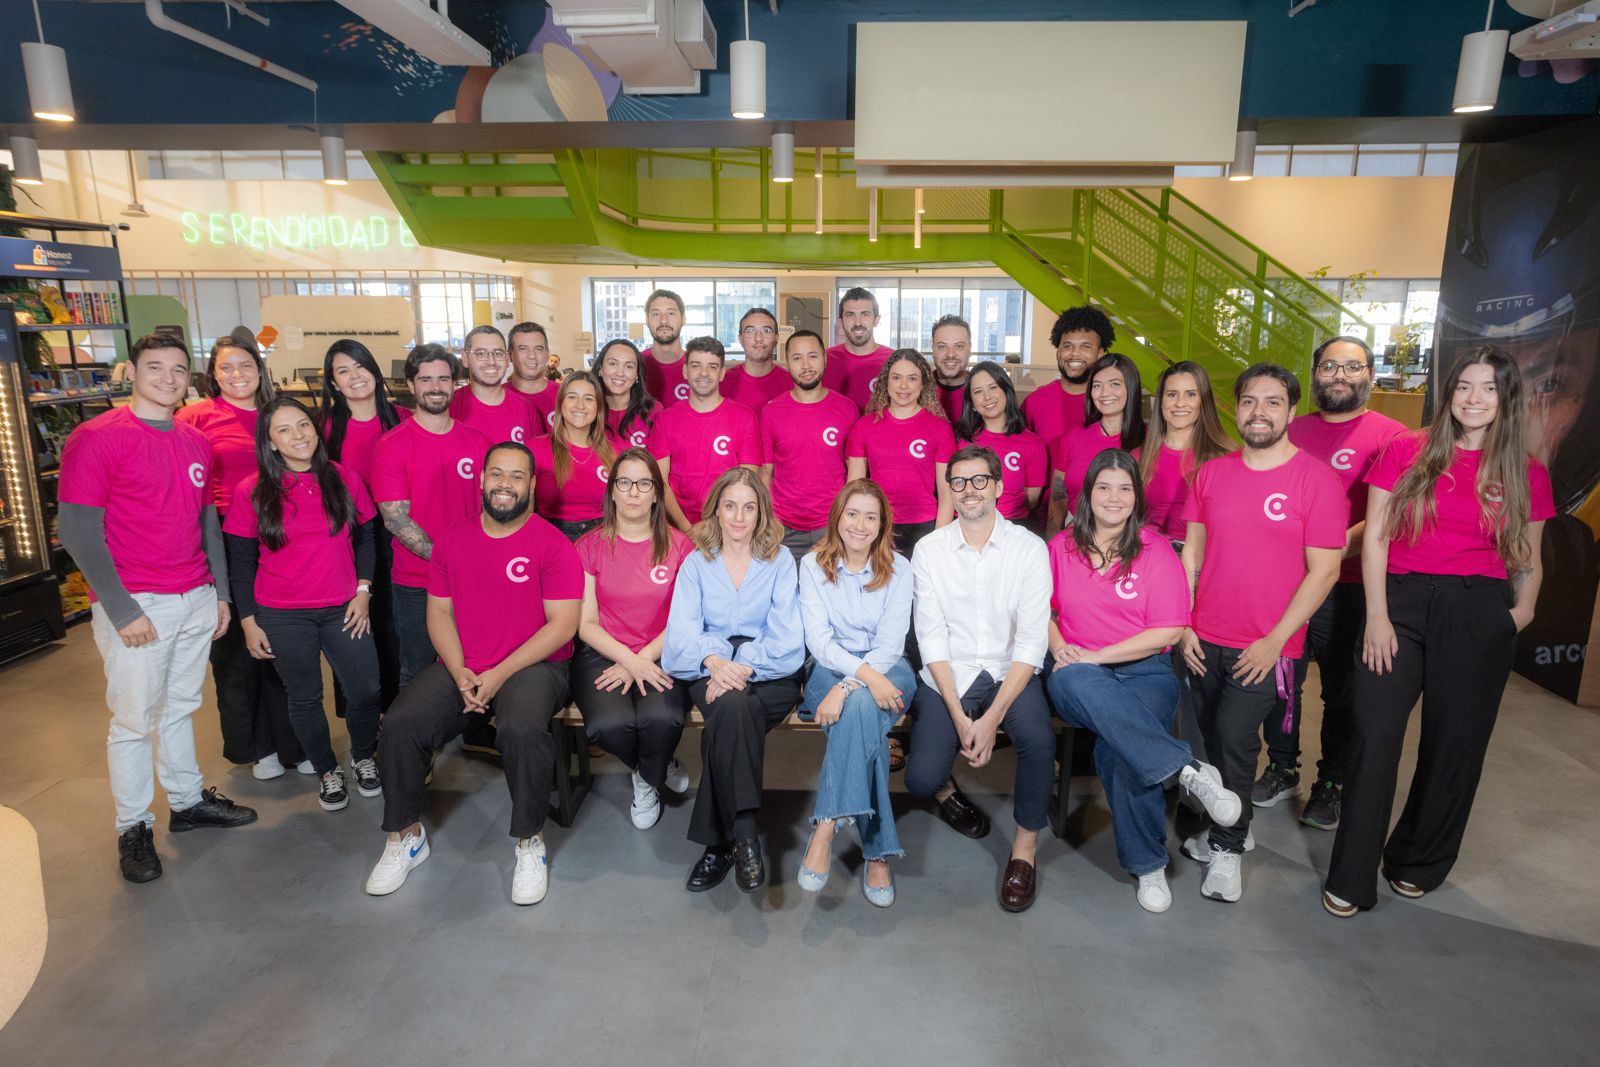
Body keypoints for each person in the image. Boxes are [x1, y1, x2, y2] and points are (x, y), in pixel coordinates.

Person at [1323, 347, 1554, 917]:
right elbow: (1376, 539)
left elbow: (1528, 556)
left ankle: (1417, 861)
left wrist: (1520, 614)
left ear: (1506, 398)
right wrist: (1377, 616)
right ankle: (1351, 876)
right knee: (1374, 737)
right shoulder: (1406, 450)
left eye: (1489, 388)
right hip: (1399, 605)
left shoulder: (1526, 471)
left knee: (1455, 746)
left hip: (1478, 612)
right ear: (1448, 393)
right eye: (1465, 386)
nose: (1474, 399)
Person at [58, 333, 257, 884]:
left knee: (179, 708)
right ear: (132, 372)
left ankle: (187, 802)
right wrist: (122, 611)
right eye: (155, 367)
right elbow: (77, 530)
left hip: (195, 597)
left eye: (177, 369)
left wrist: (219, 592)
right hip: (138, 603)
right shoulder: (97, 437)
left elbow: (205, 521)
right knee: (132, 721)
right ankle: (133, 827)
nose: (168, 378)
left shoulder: (194, 442)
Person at [365, 441, 582, 905]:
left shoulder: (553, 544)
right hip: (463, 663)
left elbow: (562, 626)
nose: (505, 484)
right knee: (401, 723)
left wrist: (499, 673)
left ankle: (529, 841)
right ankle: (405, 836)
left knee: (521, 728)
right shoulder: (451, 539)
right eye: (497, 474)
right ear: (481, 480)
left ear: (531, 485)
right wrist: (460, 670)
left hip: (534, 665)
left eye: (517, 476)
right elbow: (439, 613)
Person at [1044, 450, 1241, 913]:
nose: (1113, 498)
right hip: (1077, 675)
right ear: (1087, 494)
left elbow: (1168, 631)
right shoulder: (1060, 547)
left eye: (1124, 488)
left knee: (1122, 753)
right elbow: (1039, 612)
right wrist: (1060, 647)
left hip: (1145, 672)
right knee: (1074, 681)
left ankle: (1148, 865)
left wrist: (1096, 655)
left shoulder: (1155, 550)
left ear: (1137, 497)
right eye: (1104, 487)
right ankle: (1185, 769)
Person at [1177, 363, 1345, 903]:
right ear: (1237, 409)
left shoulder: (1317, 480)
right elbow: (1192, 553)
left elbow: (1325, 571)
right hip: (1205, 637)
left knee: (1235, 739)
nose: (1259, 412)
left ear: (1292, 411)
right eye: (1250, 401)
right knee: (1209, 738)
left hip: (1268, 646)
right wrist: (1184, 622)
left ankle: (1227, 851)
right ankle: (1236, 824)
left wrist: (1276, 642)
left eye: (1273, 402)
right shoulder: (1211, 474)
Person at [1254, 337, 1406, 829]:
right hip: (1285, 581)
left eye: (1351, 367)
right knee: (1281, 680)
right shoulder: (1291, 429)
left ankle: (1332, 783)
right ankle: (1282, 767)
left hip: (1349, 586)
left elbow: (1392, 516)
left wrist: (1329, 551)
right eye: (1329, 366)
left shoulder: (1393, 437)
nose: (1339, 375)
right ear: (1315, 373)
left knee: (1342, 691)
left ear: (1370, 375)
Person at [903, 445, 1055, 912]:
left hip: (1011, 672)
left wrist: (990, 721)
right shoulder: (929, 550)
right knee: (920, 778)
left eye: (979, 480)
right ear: (949, 490)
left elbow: (1031, 642)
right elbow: (931, 638)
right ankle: (948, 790)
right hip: (951, 674)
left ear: (998, 487)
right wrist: (959, 716)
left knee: (1038, 741)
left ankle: (1024, 851)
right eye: (959, 482)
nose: (969, 490)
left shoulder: (1029, 548)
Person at [225, 397, 382, 812]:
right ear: (270, 442)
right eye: (284, 429)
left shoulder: (343, 478)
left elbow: (367, 537)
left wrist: (363, 590)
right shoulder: (252, 491)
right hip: (282, 614)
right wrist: (248, 621)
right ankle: (327, 769)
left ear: (315, 429)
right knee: (305, 696)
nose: (298, 435)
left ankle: (363, 756)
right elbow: (241, 562)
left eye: (303, 425)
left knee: (366, 689)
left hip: (344, 607)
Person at [664, 468, 805, 894]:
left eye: (749, 507)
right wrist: (714, 660)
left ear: (761, 512)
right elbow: (680, 638)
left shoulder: (780, 560)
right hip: (708, 667)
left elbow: (788, 641)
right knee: (735, 708)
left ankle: (719, 845)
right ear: (716, 511)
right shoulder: (696, 563)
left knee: (729, 715)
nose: (739, 517)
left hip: (770, 670)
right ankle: (744, 833)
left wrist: (739, 666)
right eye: (730, 506)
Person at [177, 331, 300, 780]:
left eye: (245, 365)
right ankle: (258, 746)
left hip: (278, 534)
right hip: (224, 537)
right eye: (226, 367)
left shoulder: (277, 414)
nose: (237, 374)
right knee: (235, 646)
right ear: (213, 374)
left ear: (259, 369)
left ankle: (295, 742)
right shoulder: (195, 417)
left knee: (285, 641)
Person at [796, 480, 916, 907]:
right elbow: (820, 642)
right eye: (852, 514)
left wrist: (851, 685)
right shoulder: (812, 565)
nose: (860, 525)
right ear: (837, 517)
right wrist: (856, 679)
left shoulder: (900, 569)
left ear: (882, 524)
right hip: (828, 668)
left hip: (889, 669)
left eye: (870, 516)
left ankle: (826, 823)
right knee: (867, 724)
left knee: (858, 708)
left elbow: (891, 644)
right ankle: (877, 854)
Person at [573, 449, 695, 829]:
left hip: (662, 650)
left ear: (657, 493)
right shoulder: (589, 546)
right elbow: (585, 624)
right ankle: (654, 766)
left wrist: (641, 660)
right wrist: (629, 661)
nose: (633, 492)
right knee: (607, 726)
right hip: (603, 652)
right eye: (624, 482)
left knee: (663, 717)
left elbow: (685, 619)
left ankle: (647, 779)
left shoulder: (680, 546)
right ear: (612, 490)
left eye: (644, 484)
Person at [372, 344, 493, 687]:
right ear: (411, 385)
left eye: (443, 379)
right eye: (426, 380)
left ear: (455, 383)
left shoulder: (479, 443)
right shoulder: (392, 445)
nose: (436, 387)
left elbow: (493, 510)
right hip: (417, 584)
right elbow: (397, 520)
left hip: (475, 578)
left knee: (477, 663)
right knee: (419, 671)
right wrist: (450, 561)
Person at [319, 338, 409, 711]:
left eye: (360, 366)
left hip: (399, 535)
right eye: (343, 371)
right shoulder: (324, 429)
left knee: (395, 622)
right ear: (334, 383)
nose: (355, 376)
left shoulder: (403, 418)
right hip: (350, 539)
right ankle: (363, 713)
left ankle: (400, 708)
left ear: (374, 370)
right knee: (355, 624)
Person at [759, 329, 858, 559]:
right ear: (786, 363)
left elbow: (854, 473)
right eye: (797, 358)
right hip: (783, 528)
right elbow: (766, 474)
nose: (806, 365)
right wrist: (769, 520)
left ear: (824, 358)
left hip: (833, 525)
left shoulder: (847, 409)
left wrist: (846, 518)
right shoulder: (771, 412)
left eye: (812, 356)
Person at [845, 349, 955, 554]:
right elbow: (854, 489)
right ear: (886, 382)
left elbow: (947, 495)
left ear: (923, 384)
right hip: (876, 525)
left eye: (912, 378)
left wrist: (939, 542)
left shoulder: (940, 428)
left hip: (924, 527)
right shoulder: (864, 426)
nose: (903, 386)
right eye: (896, 378)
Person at [648, 336, 761, 532]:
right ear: (685, 371)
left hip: (728, 526)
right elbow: (660, 482)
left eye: (712, 366)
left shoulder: (744, 417)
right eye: (696, 365)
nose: (704, 373)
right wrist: (687, 529)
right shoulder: (665, 419)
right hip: (678, 529)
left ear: (722, 373)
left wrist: (712, 526)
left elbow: (747, 481)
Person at [1047, 352, 1145, 536]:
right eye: (1097, 385)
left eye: (1115, 384)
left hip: (1129, 537)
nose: (1105, 393)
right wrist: (1051, 544)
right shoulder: (1074, 437)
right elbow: (1057, 500)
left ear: (1131, 388)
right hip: (1075, 535)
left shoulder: (1149, 441)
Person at [1138, 361, 1235, 546]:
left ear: (1203, 402)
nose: (1180, 403)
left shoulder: (1224, 458)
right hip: (1150, 556)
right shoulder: (1138, 457)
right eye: (1171, 394)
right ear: (1160, 401)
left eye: (1190, 394)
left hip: (1203, 557)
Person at [954, 361, 1048, 525]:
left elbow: (1031, 500)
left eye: (993, 387)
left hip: (1012, 526)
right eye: (978, 391)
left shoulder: (1032, 444)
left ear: (1006, 391)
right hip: (966, 524)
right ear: (972, 402)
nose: (987, 397)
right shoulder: (961, 441)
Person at [529, 370, 616, 541]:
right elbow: (525, 512)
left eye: (588, 399)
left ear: (598, 407)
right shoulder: (535, 449)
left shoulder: (615, 453)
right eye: (572, 397)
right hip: (551, 538)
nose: (580, 405)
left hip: (602, 540)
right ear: (560, 403)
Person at [1021, 305, 1109, 446]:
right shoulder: (1034, 402)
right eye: (1067, 346)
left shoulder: (1110, 402)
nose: (1075, 353)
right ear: (1058, 353)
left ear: (1100, 354)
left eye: (1085, 347)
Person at [448, 325, 534, 446]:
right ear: (465, 359)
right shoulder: (449, 408)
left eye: (498, 353)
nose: (491, 361)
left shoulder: (527, 410)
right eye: (481, 353)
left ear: (507, 359)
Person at [823, 287, 894, 409]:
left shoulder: (894, 361)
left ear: (876, 320)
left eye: (865, 314)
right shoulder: (823, 360)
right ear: (840, 321)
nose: (858, 323)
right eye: (850, 315)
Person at [595, 338, 659, 451]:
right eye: (612, 364)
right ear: (601, 368)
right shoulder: (587, 411)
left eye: (629, 366)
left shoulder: (654, 411)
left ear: (637, 374)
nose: (620, 373)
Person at [723, 307, 791, 410]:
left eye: (766, 331)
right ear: (740, 339)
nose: (758, 338)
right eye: (750, 331)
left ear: (776, 338)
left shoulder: (792, 384)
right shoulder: (722, 383)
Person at [507, 321, 559, 432]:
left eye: (538, 349)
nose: (532, 356)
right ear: (510, 355)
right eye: (523, 348)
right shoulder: (495, 399)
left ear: (547, 355)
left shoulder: (565, 396)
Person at [641, 288, 690, 407]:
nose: (663, 321)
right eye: (656, 314)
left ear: (683, 319)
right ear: (647, 320)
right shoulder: (635, 364)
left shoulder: (696, 367)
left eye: (671, 313)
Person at [931, 314, 973, 424]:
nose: (950, 354)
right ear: (933, 350)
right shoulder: (917, 389)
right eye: (942, 347)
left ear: (969, 349)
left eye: (958, 346)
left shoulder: (984, 391)